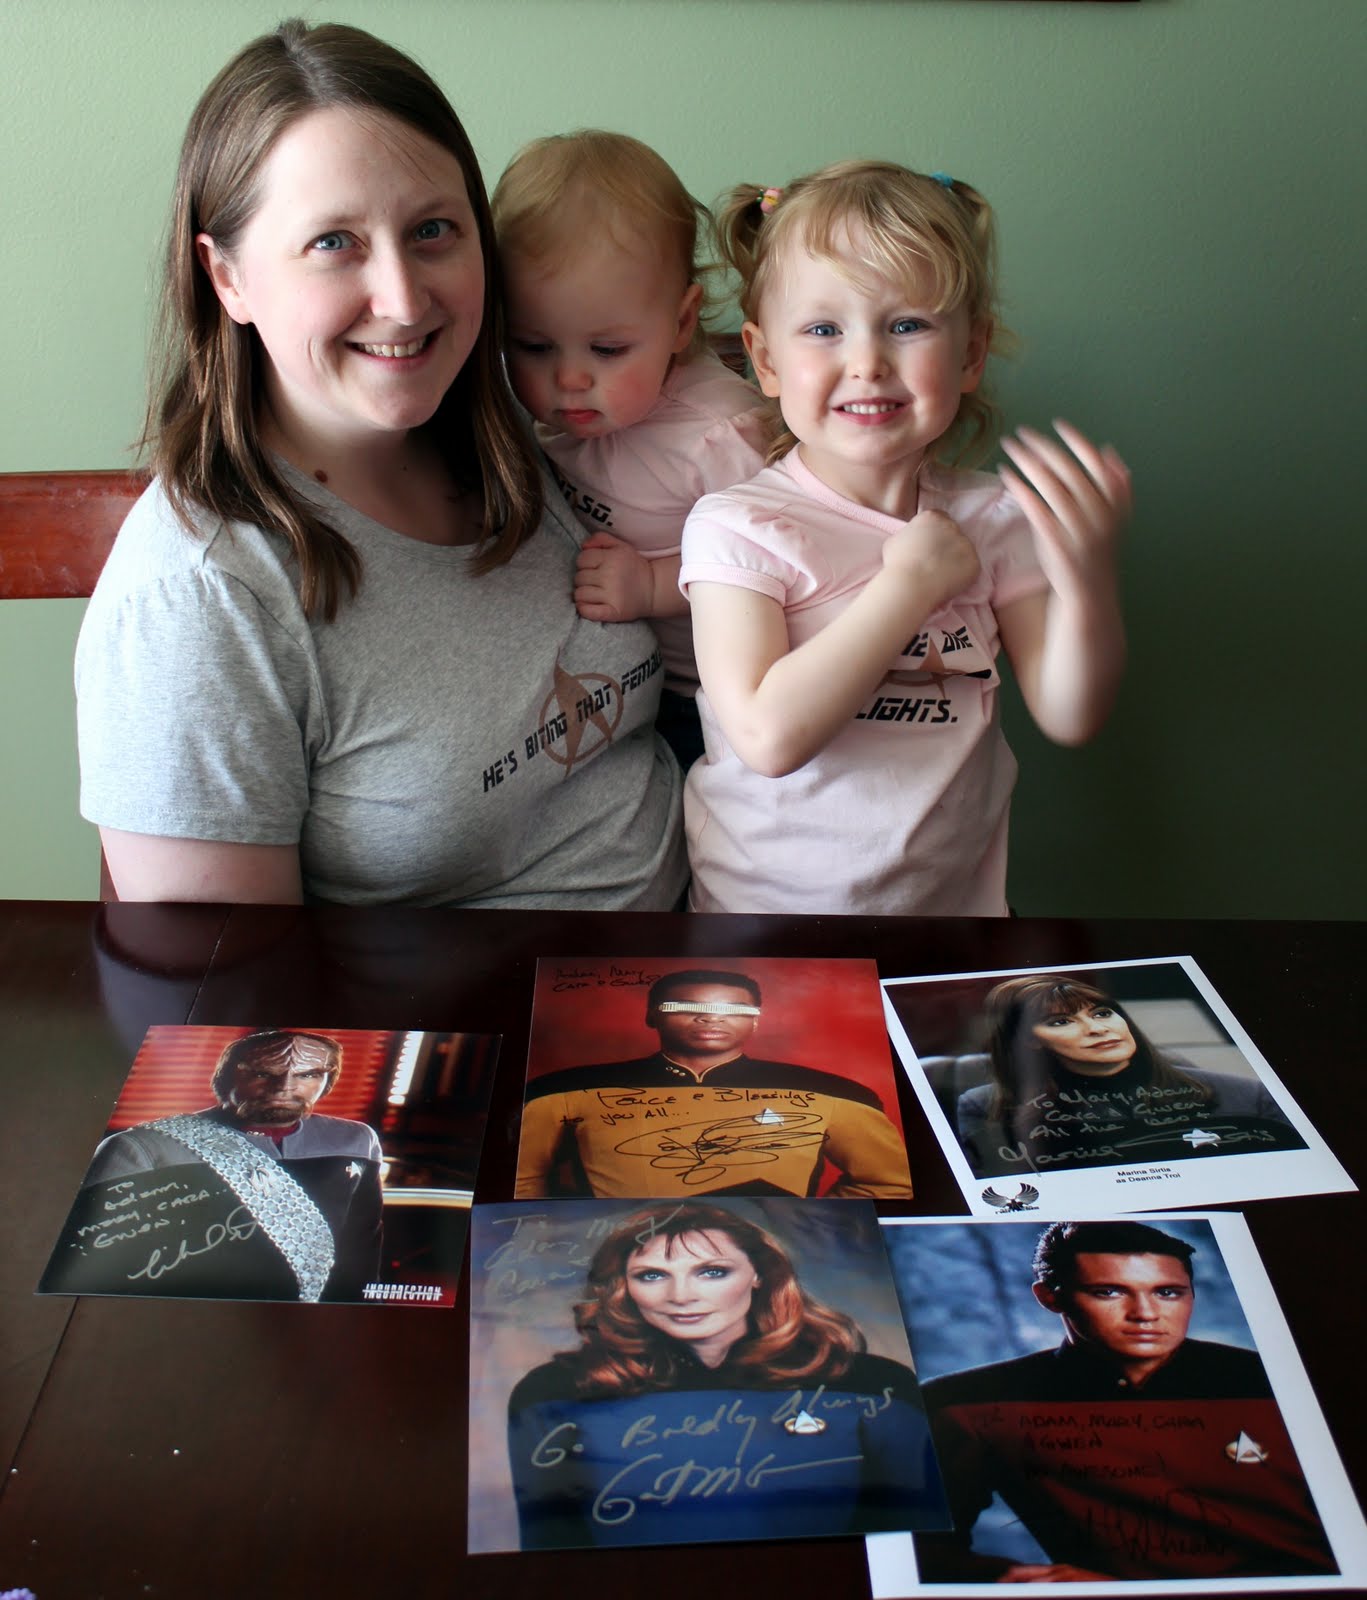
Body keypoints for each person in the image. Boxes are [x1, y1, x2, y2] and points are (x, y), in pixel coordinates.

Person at [74, 23, 685, 909]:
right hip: (498, 1004)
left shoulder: (532, 424)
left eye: (432, 229)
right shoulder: (199, 603)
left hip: (727, 945)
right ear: (228, 278)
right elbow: (220, 979)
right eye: (334, 242)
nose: (402, 300)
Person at [678, 161, 1132, 915]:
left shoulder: (995, 517)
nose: (866, 363)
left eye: (907, 325)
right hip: (768, 930)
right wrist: (909, 586)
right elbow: (766, 738)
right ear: (765, 360)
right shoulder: (737, 526)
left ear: (970, 354)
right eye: (823, 330)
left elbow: (1070, 714)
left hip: (954, 928)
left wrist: (1087, 580)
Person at [492, 130, 769, 769]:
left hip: (717, 694)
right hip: (616, 682)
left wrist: (650, 585)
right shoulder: (536, 406)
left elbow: (785, 565)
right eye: (533, 345)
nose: (568, 378)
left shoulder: (719, 434)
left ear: (681, 322)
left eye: (607, 350)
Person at [506, 1202, 948, 1549]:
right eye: (652, 1275)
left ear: (759, 1274)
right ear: (623, 1286)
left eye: (712, 1272)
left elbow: (910, 1542)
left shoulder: (873, 1384)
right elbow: (554, 1549)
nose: (681, 1296)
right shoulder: (554, 1391)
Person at [916, 1221, 1336, 1581]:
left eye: (1167, 1293)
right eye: (1109, 1292)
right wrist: (1022, 1579)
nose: (1145, 1314)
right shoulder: (962, 1404)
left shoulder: (1281, 1384)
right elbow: (915, 1549)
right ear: (1049, 1297)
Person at [514, 967, 911, 1198]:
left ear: (755, 1021)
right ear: (652, 1016)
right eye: (685, 1006)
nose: (710, 1017)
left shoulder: (837, 1094)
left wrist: (809, 1225)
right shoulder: (561, 1091)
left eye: (733, 1009)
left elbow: (887, 1184)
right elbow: (521, 1181)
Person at [48, 1030, 382, 1302]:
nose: (285, 1087)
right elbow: (94, 1264)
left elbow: (361, 1246)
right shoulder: (142, 1147)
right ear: (224, 1077)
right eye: (263, 1073)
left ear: (328, 1080)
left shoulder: (356, 1139)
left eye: (308, 1074)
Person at [956, 973, 1301, 1177]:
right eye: (1060, 1021)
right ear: (1028, 1040)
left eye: (1102, 1013)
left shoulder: (1249, 1095)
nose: (1096, 1029)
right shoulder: (984, 1107)